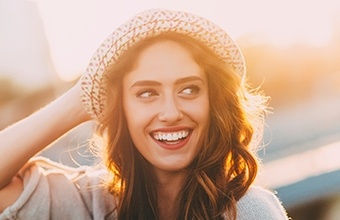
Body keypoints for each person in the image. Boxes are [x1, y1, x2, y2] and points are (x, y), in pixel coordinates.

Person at [0, 9, 289, 220]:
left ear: (213, 102)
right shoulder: (92, 203)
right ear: (121, 108)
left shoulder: (249, 211)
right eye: (147, 93)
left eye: (189, 89)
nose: (171, 113)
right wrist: (81, 101)